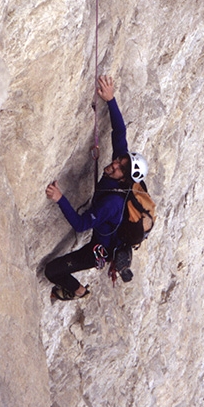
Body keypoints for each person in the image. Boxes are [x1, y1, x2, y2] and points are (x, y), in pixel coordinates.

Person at [44, 75, 148, 301]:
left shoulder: (112, 204)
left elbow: (81, 225)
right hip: (109, 235)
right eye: (119, 161)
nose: (114, 164)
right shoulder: (120, 175)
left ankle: (80, 292)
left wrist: (60, 198)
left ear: (124, 180)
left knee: (52, 270)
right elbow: (119, 133)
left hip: (99, 249)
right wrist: (111, 99)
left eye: (120, 168)